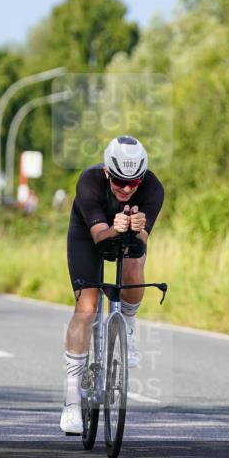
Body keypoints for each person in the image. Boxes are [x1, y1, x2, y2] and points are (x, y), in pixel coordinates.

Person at [59, 135, 164, 434]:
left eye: (135, 183)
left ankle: (127, 324)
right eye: (120, 181)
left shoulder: (153, 189)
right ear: (107, 172)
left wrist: (134, 231)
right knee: (87, 306)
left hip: (125, 236)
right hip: (89, 234)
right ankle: (71, 401)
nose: (128, 189)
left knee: (133, 261)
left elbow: (140, 246)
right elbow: (98, 237)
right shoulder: (89, 182)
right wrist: (114, 227)